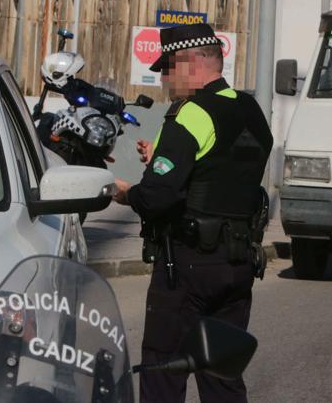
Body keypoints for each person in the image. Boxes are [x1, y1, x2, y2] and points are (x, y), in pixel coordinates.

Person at [112, 23, 272, 403]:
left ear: (188, 63)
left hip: (188, 265)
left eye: (167, 68)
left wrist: (123, 194)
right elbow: (222, 170)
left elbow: (157, 197)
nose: (165, 79)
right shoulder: (250, 110)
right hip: (237, 263)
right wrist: (166, 156)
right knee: (221, 374)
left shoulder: (191, 113)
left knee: (164, 367)